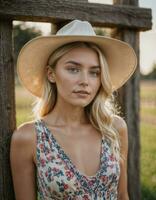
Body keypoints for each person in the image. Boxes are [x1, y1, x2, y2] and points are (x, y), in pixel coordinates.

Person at [10, 19, 137, 200]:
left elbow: (123, 195)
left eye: (94, 72)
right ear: (51, 74)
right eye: (73, 69)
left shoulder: (114, 129)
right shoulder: (30, 137)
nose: (85, 81)